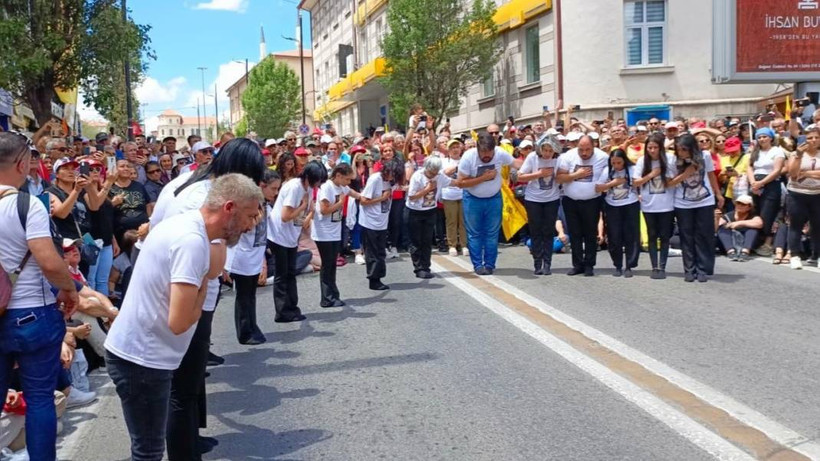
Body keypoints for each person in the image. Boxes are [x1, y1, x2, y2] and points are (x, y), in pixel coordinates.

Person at [105, 174, 262, 461]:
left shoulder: (192, 227)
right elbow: (179, 322)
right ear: (229, 207)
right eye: (250, 216)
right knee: (148, 451)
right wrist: (202, 291)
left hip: (142, 356)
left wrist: (217, 248)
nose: (252, 224)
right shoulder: (191, 241)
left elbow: (213, 271)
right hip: (142, 360)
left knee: (147, 448)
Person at [0, 131, 79, 461]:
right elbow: (49, 261)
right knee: (40, 398)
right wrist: (70, 288)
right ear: (21, 163)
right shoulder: (25, 204)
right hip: (31, 314)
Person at [457, 132, 524, 275]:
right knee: (475, 234)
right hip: (472, 199)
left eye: (490, 152)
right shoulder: (468, 157)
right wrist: (482, 178)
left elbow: (516, 163)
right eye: (483, 153)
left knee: (492, 234)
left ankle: (489, 265)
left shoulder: (500, 153)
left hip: (494, 198)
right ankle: (477, 265)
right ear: (477, 148)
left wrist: (535, 159)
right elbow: (460, 183)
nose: (487, 156)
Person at [226, 170, 281, 344]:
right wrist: (258, 215)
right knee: (243, 295)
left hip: (256, 254)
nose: (276, 192)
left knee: (251, 294)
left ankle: (253, 326)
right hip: (242, 255)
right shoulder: (250, 204)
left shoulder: (265, 204)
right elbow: (246, 226)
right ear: (261, 186)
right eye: (273, 189)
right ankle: (244, 331)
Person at [268, 161, 327, 321]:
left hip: (291, 236)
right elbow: (285, 216)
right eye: (318, 180)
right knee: (282, 275)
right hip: (279, 235)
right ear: (309, 176)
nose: (319, 184)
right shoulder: (295, 187)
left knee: (290, 273)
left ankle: (292, 307)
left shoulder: (306, 188)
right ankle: (282, 312)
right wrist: (302, 207)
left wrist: (307, 211)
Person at [670, 133, 724, 282]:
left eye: (684, 149)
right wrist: (687, 173)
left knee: (704, 235)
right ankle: (689, 269)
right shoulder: (673, 160)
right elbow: (670, 182)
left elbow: (711, 175)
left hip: (704, 201)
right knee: (687, 236)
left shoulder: (704, 155)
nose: (681, 152)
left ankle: (702, 269)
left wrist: (718, 194)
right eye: (679, 149)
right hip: (682, 202)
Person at [556, 135, 609, 276]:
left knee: (590, 234)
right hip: (571, 200)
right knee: (575, 234)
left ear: (594, 146)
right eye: (581, 150)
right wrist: (576, 175)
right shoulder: (568, 156)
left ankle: (589, 265)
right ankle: (577, 264)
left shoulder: (603, 157)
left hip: (592, 201)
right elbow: (559, 178)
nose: (584, 153)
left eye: (588, 150)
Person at [312, 163, 361, 304]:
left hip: (334, 232)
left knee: (332, 264)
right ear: (338, 176)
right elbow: (324, 210)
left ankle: (333, 294)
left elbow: (355, 194)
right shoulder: (327, 187)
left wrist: (366, 198)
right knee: (327, 265)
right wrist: (340, 204)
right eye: (346, 179)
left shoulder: (342, 187)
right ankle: (327, 298)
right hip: (324, 233)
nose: (349, 182)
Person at [405, 156, 458, 278]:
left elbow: (454, 182)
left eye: (435, 172)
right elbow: (412, 196)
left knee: (427, 240)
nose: (432, 175)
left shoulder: (439, 176)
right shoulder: (417, 176)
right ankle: (418, 268)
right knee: (416, 241)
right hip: (415, 211)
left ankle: (426, 267)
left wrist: (472, 181)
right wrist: (427, 189)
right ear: (426, 168)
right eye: (430, 172)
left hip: (430, 211)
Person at [633, 133, 676, 279]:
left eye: (655, 147)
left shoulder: (669, 159)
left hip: (666, 204)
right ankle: (654, 266)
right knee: (652, 235)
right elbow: (636, 182)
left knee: (664, 236)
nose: (652, 150)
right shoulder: (642, 161)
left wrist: (663, 173)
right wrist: (652, 174)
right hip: (649, 204)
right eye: (649, 147)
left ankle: (662, 266)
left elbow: (672, 179)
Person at [516, 136, 561, 275]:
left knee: (548, 231)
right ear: (540, 149)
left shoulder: (559, 159)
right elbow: (520, 176)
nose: (547, 153)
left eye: (550, 150)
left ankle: (547, 263)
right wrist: (538, 174)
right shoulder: (532, 157)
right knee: (535, 231)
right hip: (533, 198)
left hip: (552, 198)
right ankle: (537, 262)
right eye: (544, 150)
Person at [359, 158, 403, 289]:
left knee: (381, 252)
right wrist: (381, 199)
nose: (392, 177)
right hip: (370, 221)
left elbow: (403, 184)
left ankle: (379, 277)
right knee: (373, 252)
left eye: (395, 174)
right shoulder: (375, 179)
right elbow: (363, 201)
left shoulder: (391, 182)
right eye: (390, 173)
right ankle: (373, 280)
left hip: (382, 221)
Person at [596, 149, 640, 277]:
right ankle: (618, 265)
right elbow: (598, 188)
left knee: (631, 235)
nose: (616, 166)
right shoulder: (607, 171)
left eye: (619, 163)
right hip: (612, 205)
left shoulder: (632, 169)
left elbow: (639, 183)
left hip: (630, 204)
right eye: (613, 163)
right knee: (614, 236)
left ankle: (629, 265)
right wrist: (613, 183)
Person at [785, 125, 820, 270]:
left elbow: (802, 174)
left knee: (817, 226)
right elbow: (793, 174)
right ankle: (794, 255)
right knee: (796, 225)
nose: (813, 140)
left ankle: (817, 255)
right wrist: (799, 156)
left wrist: (805, 173)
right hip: (797, 194)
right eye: (810, 138)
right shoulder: (795, 154)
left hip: (817, 194)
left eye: (816, 137)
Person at [746, 127, 785, 255]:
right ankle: (755, 240)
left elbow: (777, 170)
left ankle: (767, 241)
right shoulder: (754, 151)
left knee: (767, 213)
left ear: (771, 138)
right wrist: (753, 183)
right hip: (755, 183)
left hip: (770, 184)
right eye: (760, 137)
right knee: (756, 212)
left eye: (765, 136)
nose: (762, 139)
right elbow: (749, 167)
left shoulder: (777, 151)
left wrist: (762, 183)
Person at [110, 159, 152, 237]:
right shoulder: (110, 188)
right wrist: (113, 203)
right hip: (121, 232)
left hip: (142, 229)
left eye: (128, 166)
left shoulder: (139, 186)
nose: (126, 168)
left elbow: (148, 204)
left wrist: (149, 221)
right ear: (115, 169)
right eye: (122, 166)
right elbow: (104, 211)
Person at [716, 194, 763, 261]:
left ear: (749, 207)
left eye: (743, 204)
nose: (739, 206)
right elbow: (715, 229)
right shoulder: (728, 216)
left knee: (753, 230)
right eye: (738, 203)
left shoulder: (753, 216)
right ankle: (730, 252)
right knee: (722, 229)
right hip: (729, 243)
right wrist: (717, 219)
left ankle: (745, 252)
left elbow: (759, 223)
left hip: (744, 243)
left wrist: (739, 223)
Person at [441, 139, 467, 257]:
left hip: (464, 194)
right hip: (449, 194)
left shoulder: (465, 160)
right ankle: (452, 245)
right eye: (452, 147)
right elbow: (444, 173)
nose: (455, 150)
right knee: (451, 221)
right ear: (448, 150)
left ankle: (464, 244)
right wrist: (456, 168)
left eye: (457, 147)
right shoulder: (444, 161)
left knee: (463, 221)